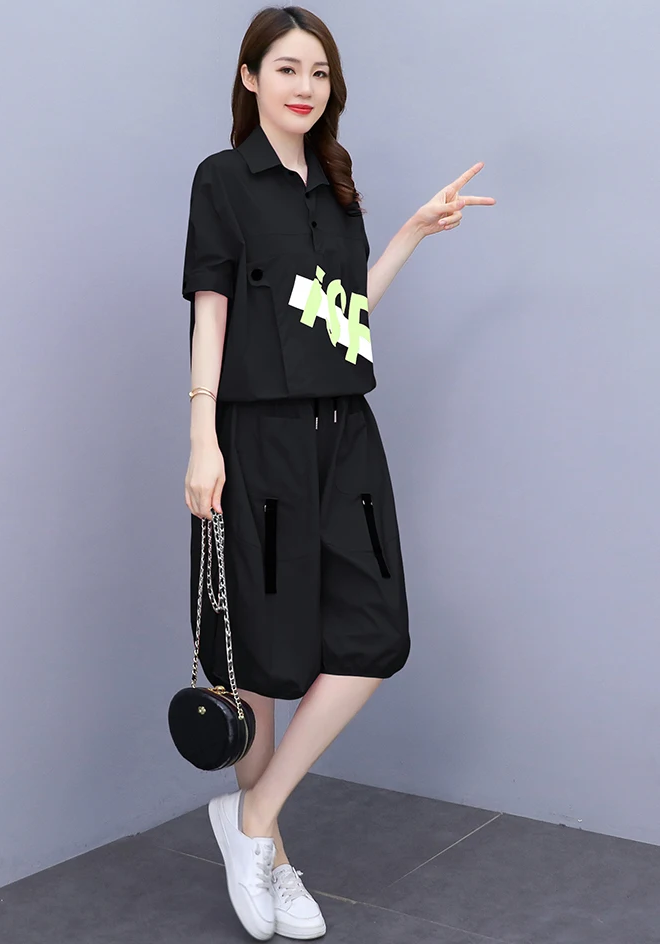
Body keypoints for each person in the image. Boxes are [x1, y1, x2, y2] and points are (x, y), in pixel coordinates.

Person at [181, 7, 495, 940]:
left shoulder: (336, 184)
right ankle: (272, 858)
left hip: (345, 432)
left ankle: (250, 818)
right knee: (262, 656)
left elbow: (343, 315)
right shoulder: (222, 180)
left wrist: (410, 234)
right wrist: (202, 435)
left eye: (319, 72)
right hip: (258, 436)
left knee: (373, 635)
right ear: (249, 78)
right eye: (286, 68)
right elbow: (210, 309)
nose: (305, 86)